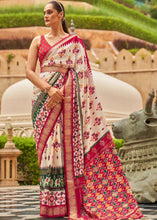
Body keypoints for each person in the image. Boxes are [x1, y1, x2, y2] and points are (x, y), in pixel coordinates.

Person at [26, 1, 143, 219]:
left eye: (50, 12)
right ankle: (51, 201)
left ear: (61, 14)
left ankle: (68, 201)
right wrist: (50, 90)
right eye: (44, 13)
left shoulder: (75, 43)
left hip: (68, 99)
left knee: (65, 145)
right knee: (49, 148)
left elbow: (83, 76)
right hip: (43, 99)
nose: (46, 16)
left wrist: (63, 92)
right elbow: (29, 71)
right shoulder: (37, 41)